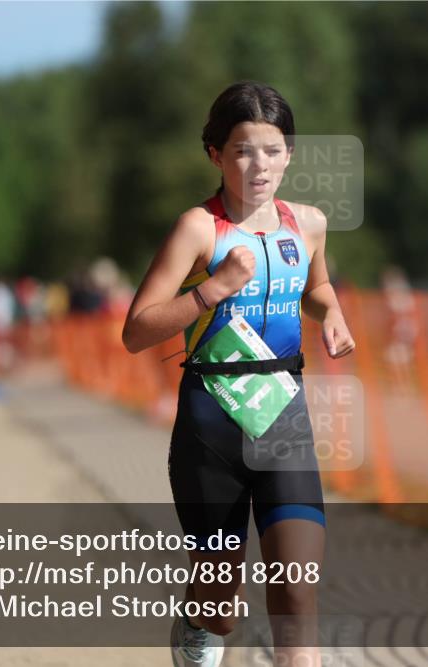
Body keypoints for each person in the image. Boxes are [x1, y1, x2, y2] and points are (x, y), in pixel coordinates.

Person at [122, 81, 356, 667]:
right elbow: (137, 330)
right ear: (215, 155)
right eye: (243, 150)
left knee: (297, 593)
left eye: (273, 150)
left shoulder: (308, 224)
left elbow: (318, 285)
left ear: (290, 154)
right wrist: (212, 291)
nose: (260, 165)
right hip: (210, 432)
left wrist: (332, 314)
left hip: (284, 423)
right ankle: (200, 624)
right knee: (222, 606)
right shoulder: (197, 229)